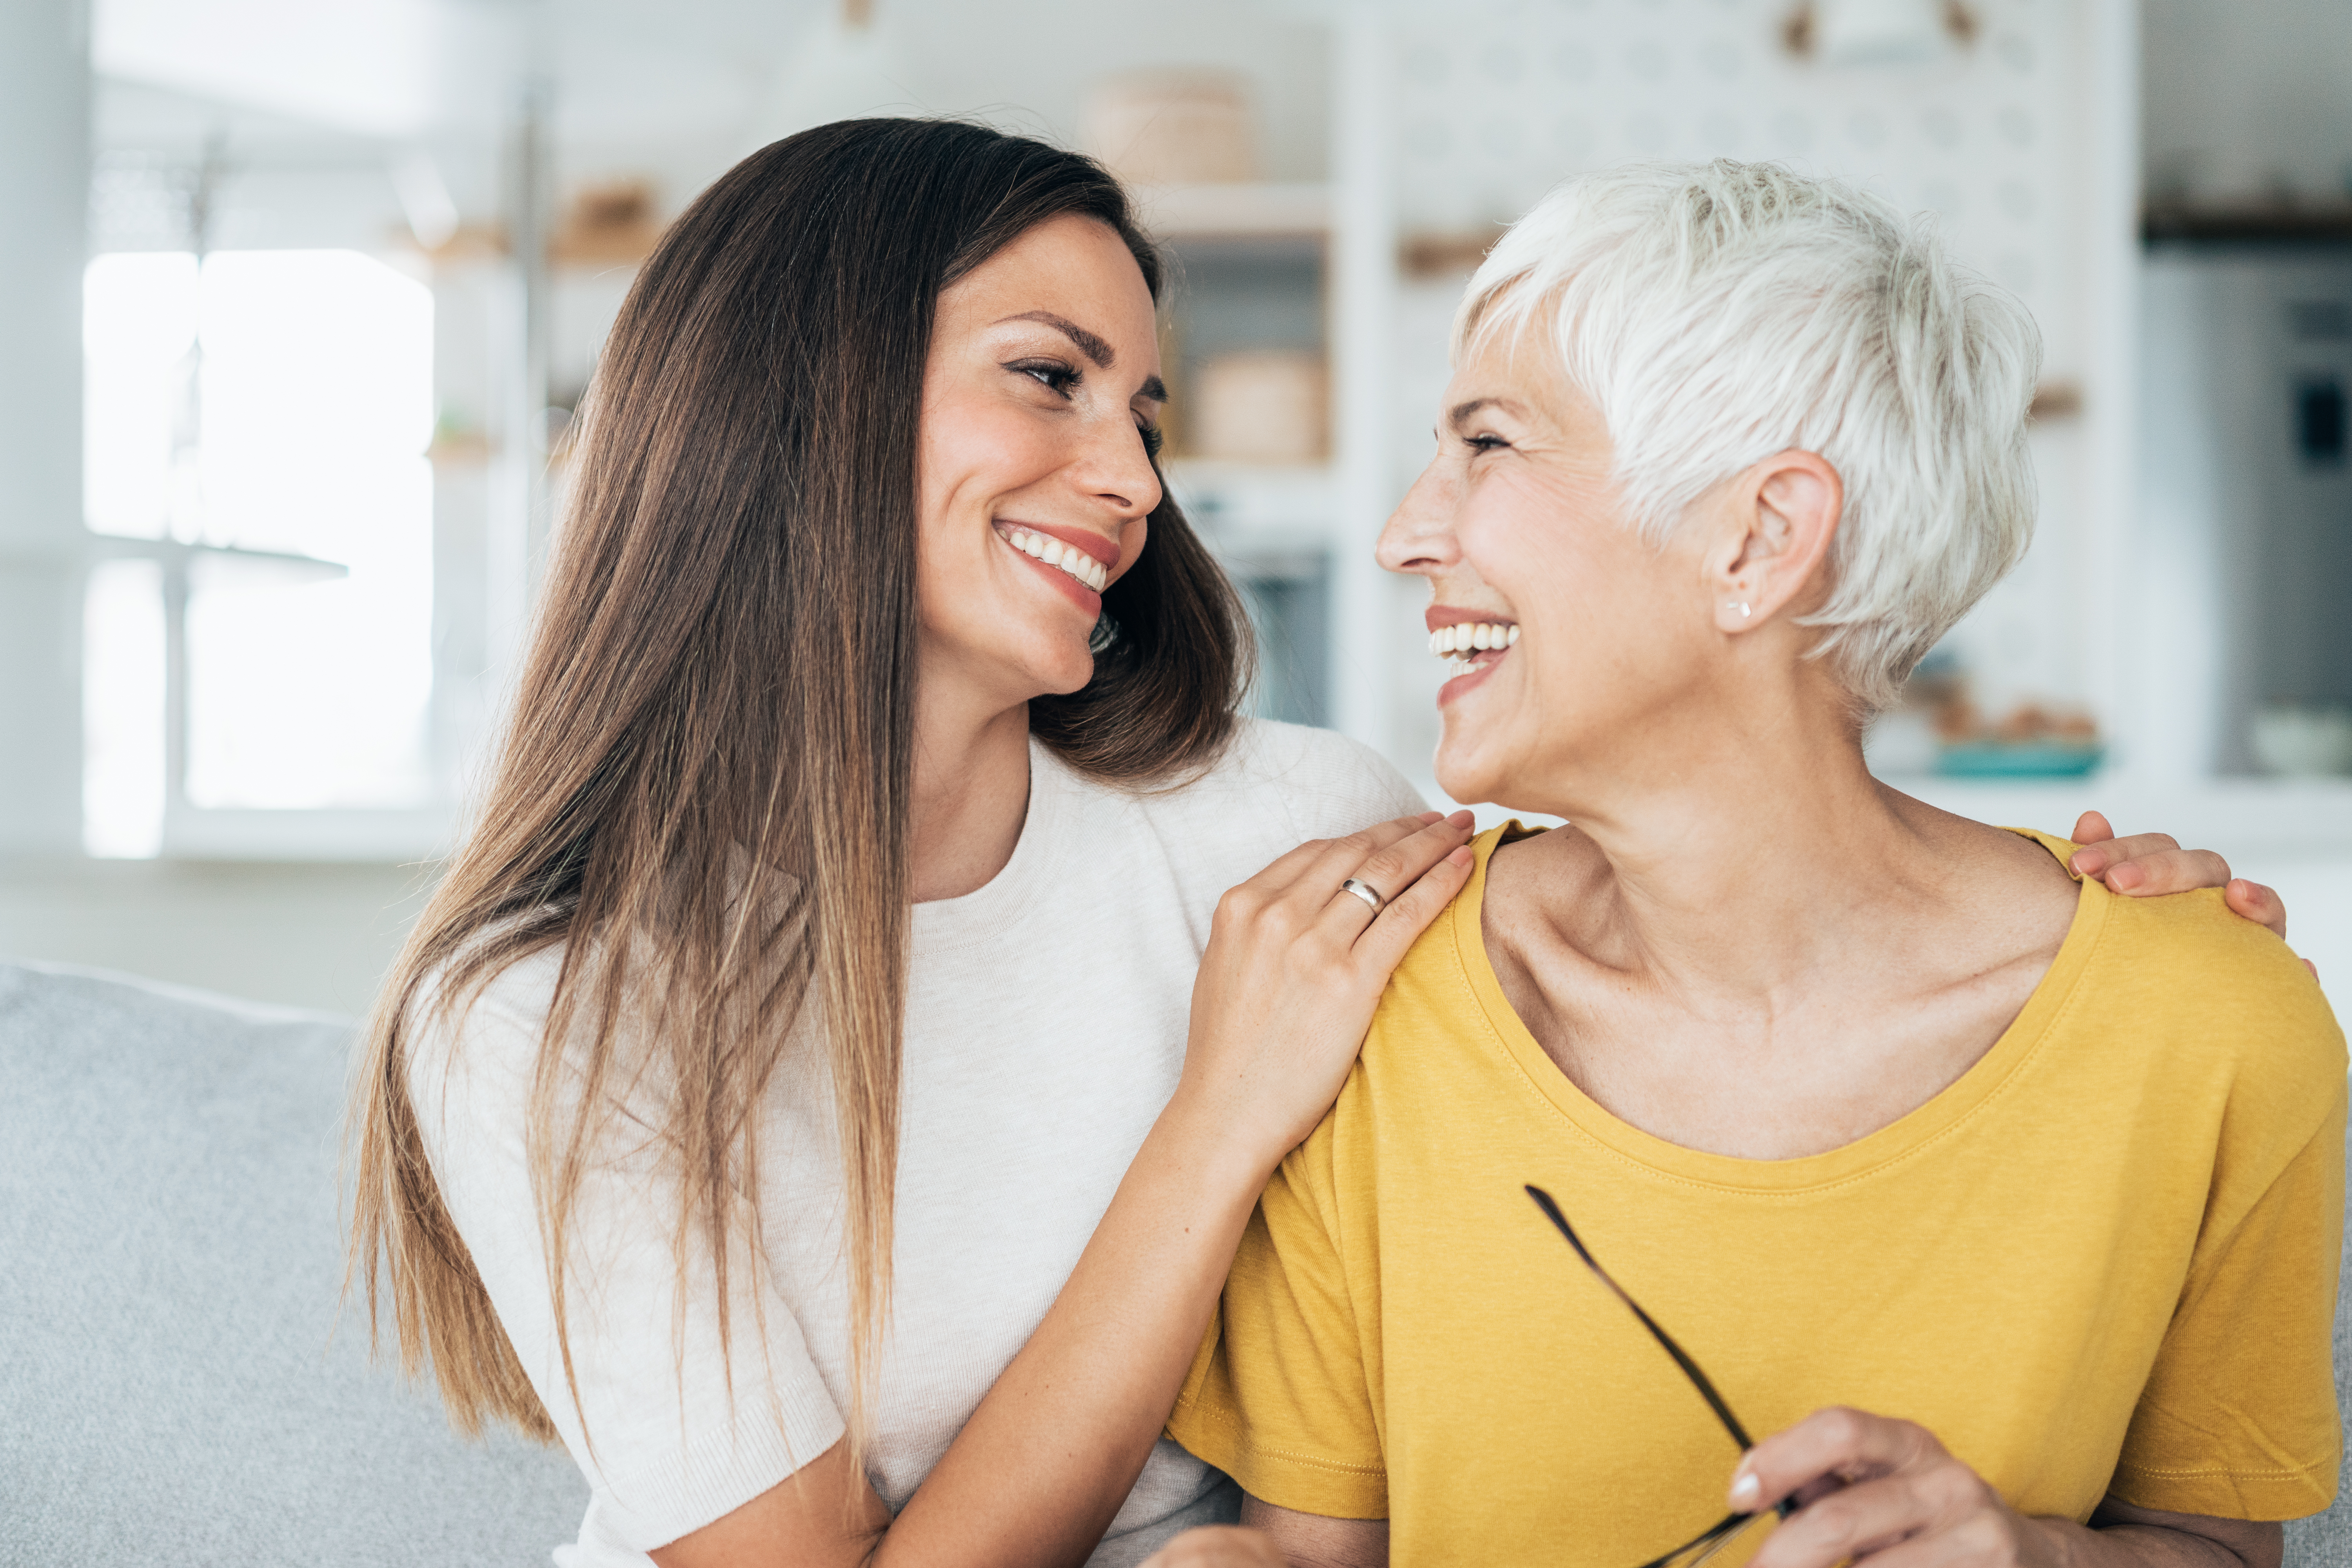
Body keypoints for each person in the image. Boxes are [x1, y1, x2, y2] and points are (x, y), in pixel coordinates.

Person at [345, 124, 2286, 1568]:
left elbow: (1728, 848)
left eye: (1145, 405)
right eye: (1049, 377)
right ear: (803, 402)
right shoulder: (543, 1006)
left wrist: (2119, 939)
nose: (1132, 481)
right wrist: (1218, 1119)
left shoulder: (1302, 833)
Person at [1154, 161, 2344, 1568]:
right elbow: (1300, 1556)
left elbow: (2222, 1547)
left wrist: (2034, 1559)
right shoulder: (1371, 997)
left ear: (1762, 538)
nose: (1407, 534)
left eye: (1488, 443)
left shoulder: (2212, 1028)